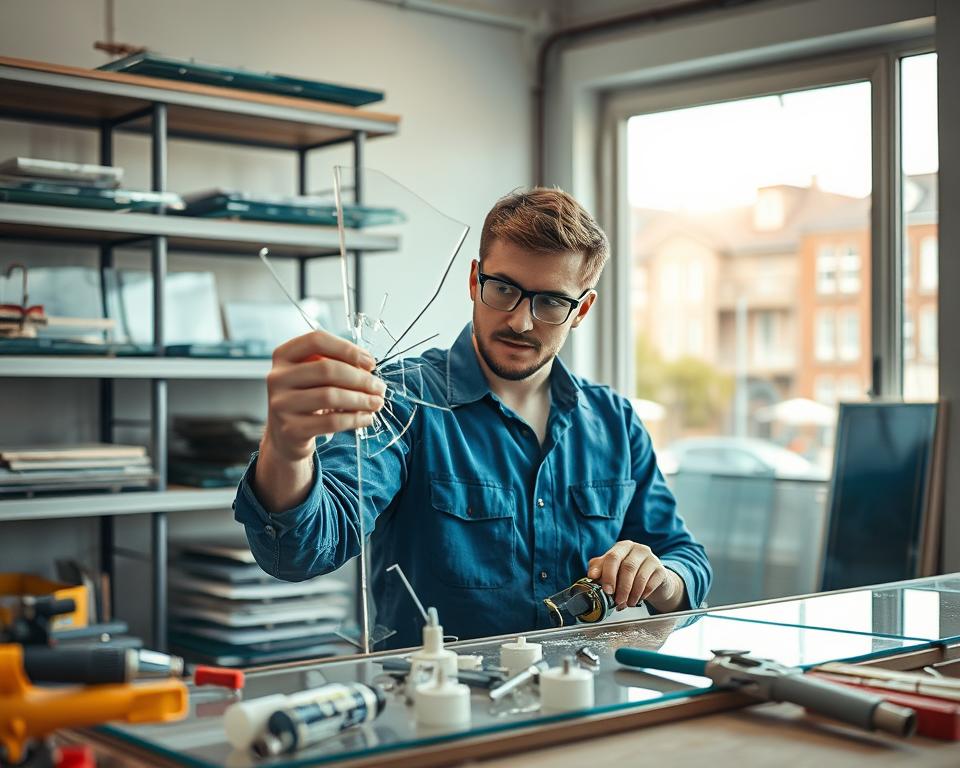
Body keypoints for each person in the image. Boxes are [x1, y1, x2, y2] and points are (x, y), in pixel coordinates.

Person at [234, 188, 711, 648]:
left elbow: (687, 560)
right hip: (437, 710)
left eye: (550, 302)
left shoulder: (615, 421)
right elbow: (301, 551)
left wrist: (661, 579)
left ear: (582, 309)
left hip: (584, 701)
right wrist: (287, 445)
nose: (521, 322)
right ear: (473, 280)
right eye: (503, 289)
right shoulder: (402, 400)